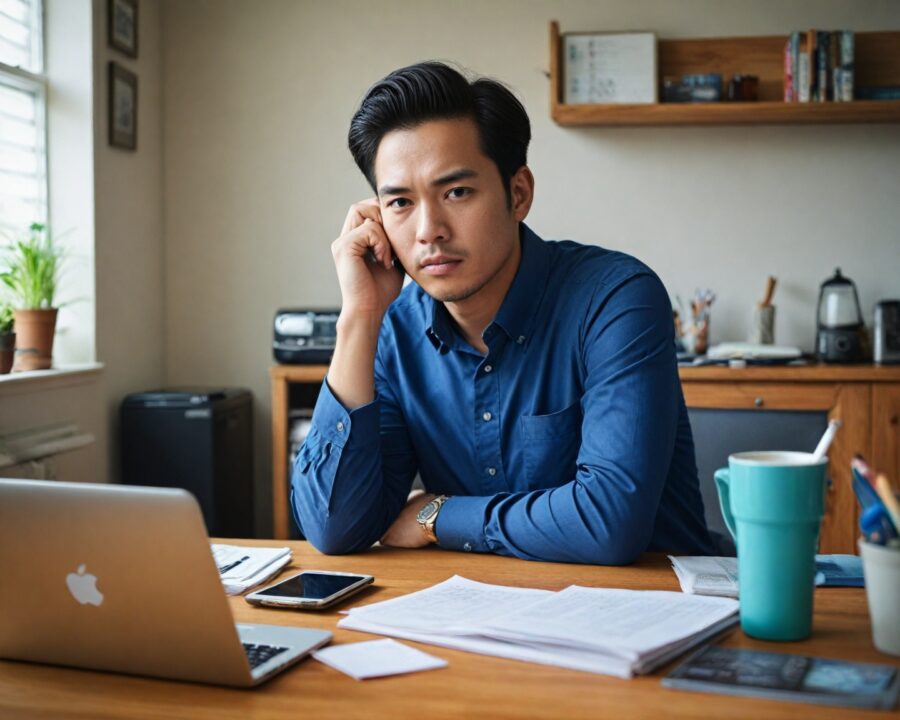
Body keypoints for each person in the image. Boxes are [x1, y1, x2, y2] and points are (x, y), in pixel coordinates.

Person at [291, 61, 713, 564]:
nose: (429, 231)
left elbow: (609, 523)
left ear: (518, 194)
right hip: (486, 618)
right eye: (401, 202)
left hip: (657, 615)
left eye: (457, 192)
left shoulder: (616, 298)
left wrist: (436, 515)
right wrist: (360, 316)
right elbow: (335, 527)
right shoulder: (394, 328)